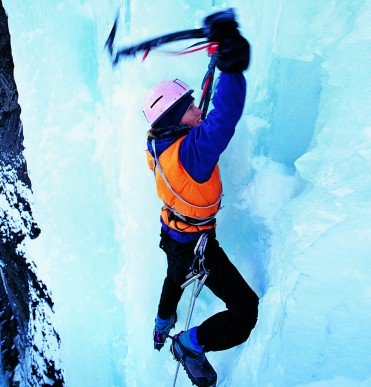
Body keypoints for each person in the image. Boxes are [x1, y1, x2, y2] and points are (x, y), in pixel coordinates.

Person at [143, 15, 257, 387]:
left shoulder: (157, 144)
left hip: (173, 234)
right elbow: (222, 119)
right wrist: (232, 68)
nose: (198, 111)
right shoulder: (194, 154)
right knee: (245, 312)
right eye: (190, 108)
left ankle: (161, 325)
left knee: (174, 278)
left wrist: (215, 65)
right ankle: (189, 343)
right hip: (198, 246)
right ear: (176, 120)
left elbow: (201, 116)